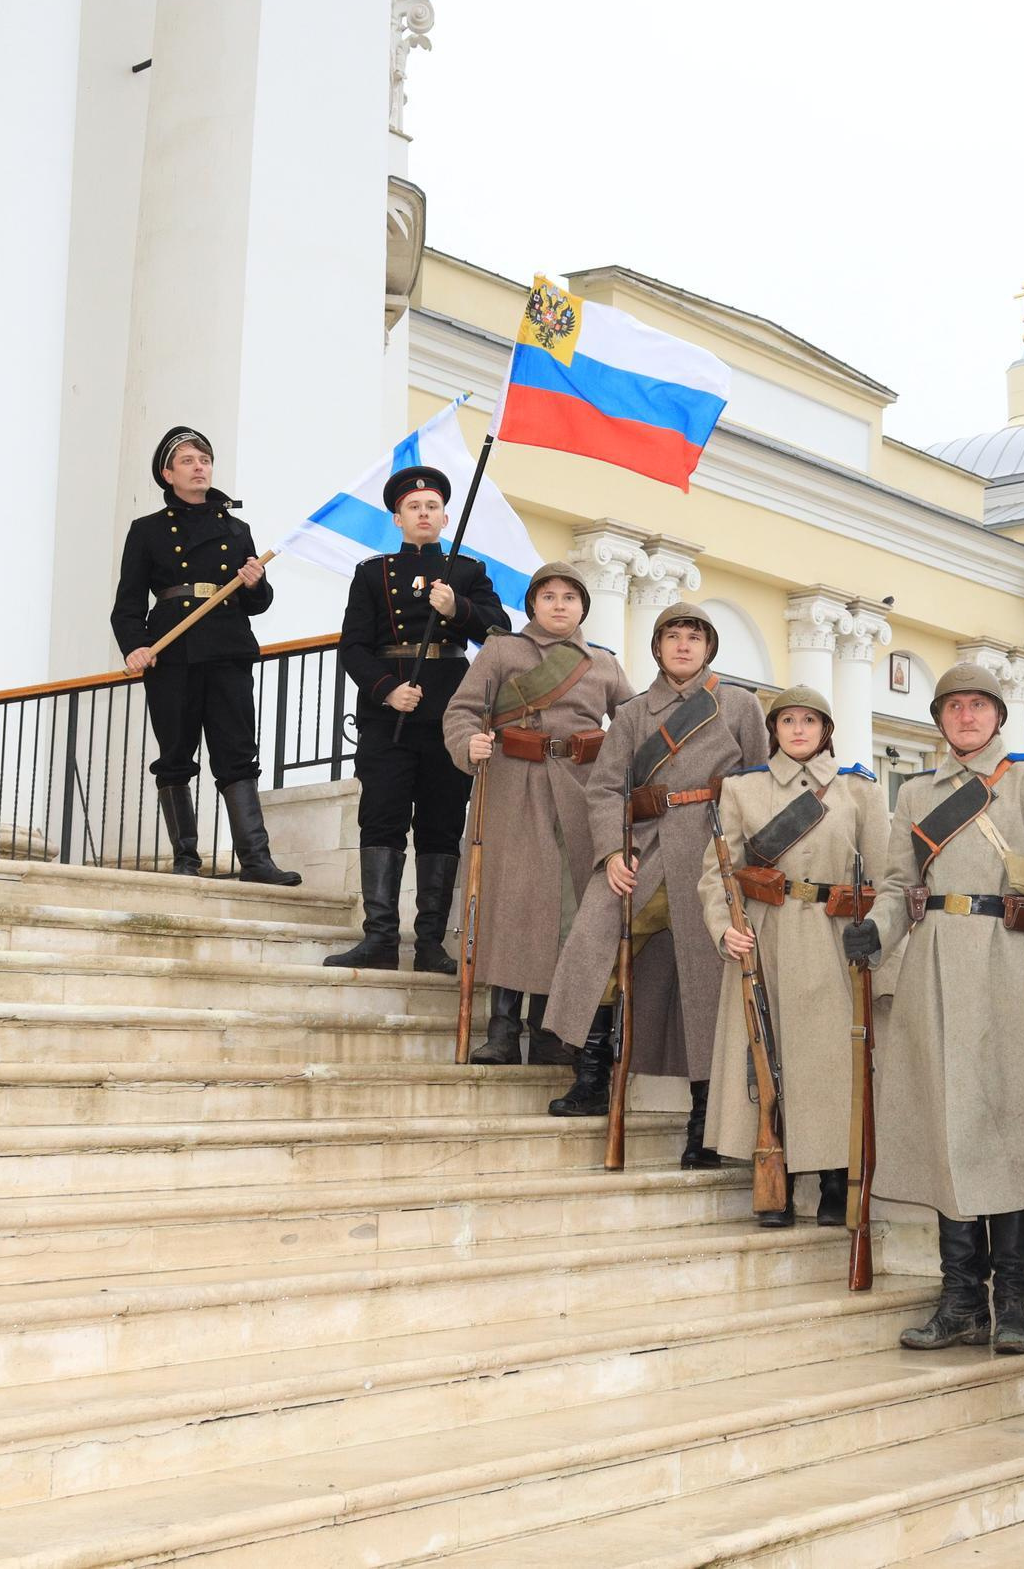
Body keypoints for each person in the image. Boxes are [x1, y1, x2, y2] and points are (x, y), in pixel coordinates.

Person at [876, 661, 1024, 1357]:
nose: (966, 716)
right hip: (934, 964)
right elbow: (896, 883)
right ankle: (960, 1299)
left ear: (998, 715)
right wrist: (873, 933)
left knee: (1012, 1127)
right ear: (939, 719)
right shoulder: (913, 794)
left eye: (978, 706)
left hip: (1010, 962)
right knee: (944, 1126)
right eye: (953, 707)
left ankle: (1013, 1301)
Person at [542, 603, 765, 1166]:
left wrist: (743, 861)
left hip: (712, 855)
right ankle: (591, 1077)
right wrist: (613, 849)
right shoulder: (636, 713)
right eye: (673, 637)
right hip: (642, 847)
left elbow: (760, 786)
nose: (683, 646)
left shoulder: (739, 705)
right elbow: (604, 789)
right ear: (658, 648)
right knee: (594, 948)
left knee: (706, 988)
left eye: (694, 637)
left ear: (709, 647)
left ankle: (704, 1124)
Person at [697, 686, 909, 1227]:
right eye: (787, 721)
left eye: (809, 721)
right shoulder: (743, 789)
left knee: (834, 1059)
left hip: (836, 937)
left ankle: (838, 1177)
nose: (798, 730)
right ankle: (779, 1177)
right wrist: (725, 929)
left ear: (825, 730)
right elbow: (718, 873)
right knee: (770, 1054)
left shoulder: (858, 791)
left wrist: (876, 935)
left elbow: (888, 877)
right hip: (764, 936)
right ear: (775, 729)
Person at [440, 562, 635, 1065]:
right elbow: (460, 710)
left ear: (583, 609)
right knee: (510, 904)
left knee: (567, 910)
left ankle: (550, 1031)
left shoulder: (605, 665)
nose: (559, 605)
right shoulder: (503, 650)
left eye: (570, 598)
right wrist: (469, 743)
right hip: (512, 784)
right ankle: (502, 1031)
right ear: (532, 605)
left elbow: (634, 727)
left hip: (581, 790)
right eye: (548, 596)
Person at [326, 463, 509, 972]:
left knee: (441, 823)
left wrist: (458, 609)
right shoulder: (371, 572)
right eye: (413, 507)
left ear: (445, 517)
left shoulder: (466, 572)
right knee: (381, 817)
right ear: (398, 519)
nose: (423, 513)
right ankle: (380, 937)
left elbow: (500, 631)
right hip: (390, 716)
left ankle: (430, 943)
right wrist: (386, 691)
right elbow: (353, 646)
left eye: (431, 506)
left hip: (450, 712)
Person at [110, 425, 300, 886]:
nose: (200, 468)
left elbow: (257, 603)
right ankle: (185, 860)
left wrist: (257, 582)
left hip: (226, 647)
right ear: (167, 473)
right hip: (172, 649)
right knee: (176, 753)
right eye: (189, 461)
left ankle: (256, 860)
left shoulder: (237, 529)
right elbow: (128, 603)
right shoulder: (147, 530)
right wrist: (136, 646)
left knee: (237, 752)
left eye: (205, 460)